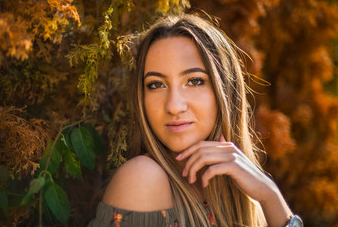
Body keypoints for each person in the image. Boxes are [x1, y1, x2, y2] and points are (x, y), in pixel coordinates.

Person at [88, 13, 303, 227]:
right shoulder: (143, 179)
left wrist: (270, 195)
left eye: (194, 81)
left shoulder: (243, 193)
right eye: (156, 85)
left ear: (224, 91)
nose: (174, 106)